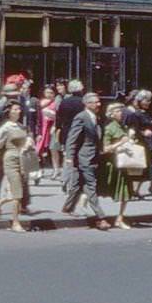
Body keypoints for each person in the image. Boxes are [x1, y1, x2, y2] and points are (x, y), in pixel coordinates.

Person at [61, 92, 111, 227]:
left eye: (99, 101)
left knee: (77, 185)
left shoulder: (96, 117)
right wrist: (69, 157)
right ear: (87, 104)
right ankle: (101, 217)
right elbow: (72, 138)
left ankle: (67, 207)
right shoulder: (81, 117)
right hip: (84, 157)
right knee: (90, 185)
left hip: (93, 156)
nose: (99, 104)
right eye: (95, 102)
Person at [0, 100, 34, 233]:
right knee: (17, 192)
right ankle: (15, 222)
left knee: (19, 190)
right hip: (10, 159)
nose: (18, 111)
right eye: (15, 109)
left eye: (19, 109)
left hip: (22, 159)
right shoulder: (5, 128)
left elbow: (26, 141)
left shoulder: (21, 126)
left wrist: (29, 144)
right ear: (8, 112)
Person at [102, 102, 139, 230]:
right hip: (114, 164)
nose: (121, 113)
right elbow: (106, 148)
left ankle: (120, 218)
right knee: (108, 191)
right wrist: (120, 144)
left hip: (124, 163)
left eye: (121, 111)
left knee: (126, 193)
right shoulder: (109, 128)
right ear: (111, 114)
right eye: (117, 111)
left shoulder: (122, 126)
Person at [36, 83, 58, 178]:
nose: (49, 94)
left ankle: (55, 169)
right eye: (47, 92)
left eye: (51, 92)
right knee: (39, 149)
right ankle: (40, 169)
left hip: (52, 128)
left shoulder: (56, 103)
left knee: (53, 149)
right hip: (42, 128)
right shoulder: (40, 102)